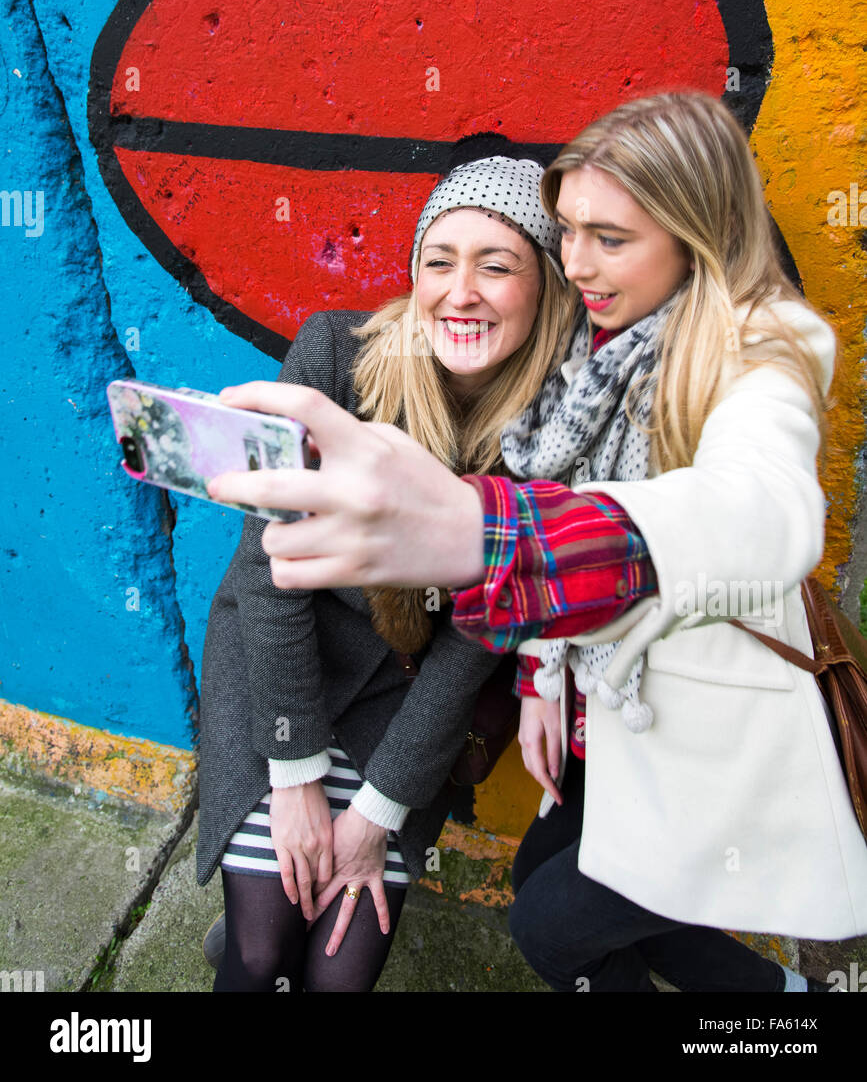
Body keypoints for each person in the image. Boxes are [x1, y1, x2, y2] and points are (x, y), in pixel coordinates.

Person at [208, 91, 867, 991]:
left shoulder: (760, 347)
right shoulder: (588, 363)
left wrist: (492, 533)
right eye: (569, 233)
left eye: (611, 238)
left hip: (705, 728)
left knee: (552, 931)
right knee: (557, 904)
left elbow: (760, 508)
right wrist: (546, 671)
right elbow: (266, 581)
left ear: (695, 231)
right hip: (607, 718)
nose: (580, 264)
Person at [196, 136, 577, 991]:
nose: (460, 292)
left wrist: (375, 812)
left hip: (404, 708)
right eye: (437, 261)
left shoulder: (557, 427)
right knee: (259, 954)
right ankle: (251, 918)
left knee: (337, 979)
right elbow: (269, 576)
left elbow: (478, 640)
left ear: (546, 286)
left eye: (497, 265)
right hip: (284, 677)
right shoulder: (334, 352)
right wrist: (292, 776)